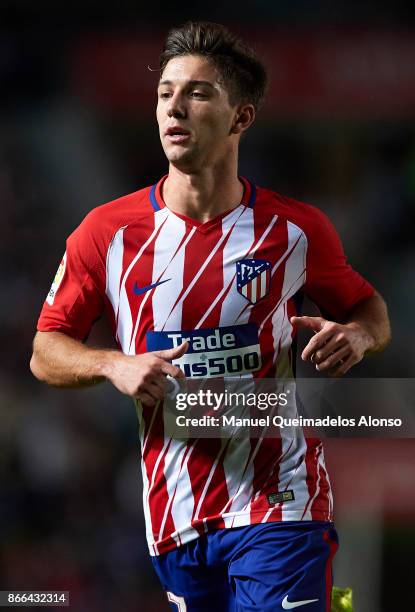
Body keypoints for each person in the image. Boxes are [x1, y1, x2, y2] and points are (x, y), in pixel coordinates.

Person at [30, 21, 390, 612]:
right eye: (165, 92)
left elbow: (368, 308)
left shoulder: (296, 230)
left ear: (240, 118)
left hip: (282, 500)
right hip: (174, 515)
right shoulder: (107, 234)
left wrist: (358, 334)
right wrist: (113, 366)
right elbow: (46, 350)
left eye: (197, 93)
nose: (174, 106)